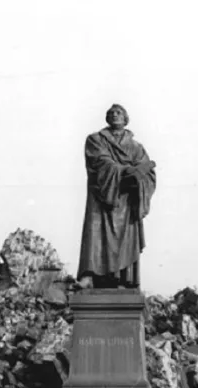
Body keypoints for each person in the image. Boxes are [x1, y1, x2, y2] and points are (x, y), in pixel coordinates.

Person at [76, 104, 156, 289]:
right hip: (102, 196)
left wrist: (140, 178)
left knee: (125, 239)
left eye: (119, 112)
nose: (115, 115)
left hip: (126, 200)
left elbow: (149, 174)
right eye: (111, 113)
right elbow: (100, 161)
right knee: (95, 235)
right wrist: (127, 170)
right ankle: (90, 276)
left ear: (126, 118)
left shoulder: (136, 147)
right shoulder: (96, 139)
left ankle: (122, 279)